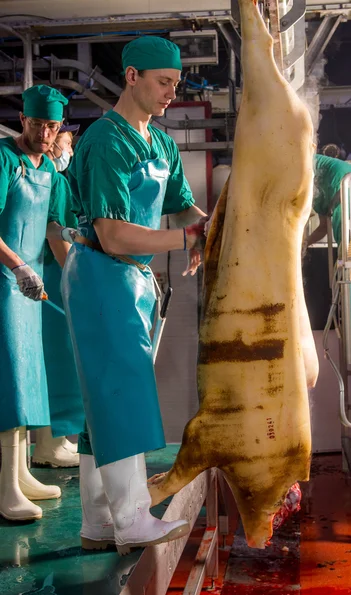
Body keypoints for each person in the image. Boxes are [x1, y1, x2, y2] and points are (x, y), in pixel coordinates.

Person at [62, 36, 208, 554]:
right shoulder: (106, 142)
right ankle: (131, 519)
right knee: (120, 393)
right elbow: (114, 234)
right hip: (101, 274)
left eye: (175, 83)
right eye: (163, 82)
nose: (172, 92)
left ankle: (98, 521)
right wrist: (187, 239)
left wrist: (216, 228)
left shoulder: (162, 143)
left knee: (100, 402)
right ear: (130, 76)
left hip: (132, 283)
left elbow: (185, 207)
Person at [0, 85, 74, 521]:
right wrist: (17, 267)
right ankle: (5, 485)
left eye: (53, 126)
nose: (45, 133)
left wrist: (77, 282)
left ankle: (22, 472)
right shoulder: (4, 159)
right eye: (38, 124)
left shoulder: (51, 173)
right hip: (5, 281)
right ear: (23, 120)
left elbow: (54, 234)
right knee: (9, 377)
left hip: (31, 286)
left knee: (29, 375)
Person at [32, 125, 84, 468]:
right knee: (59, 365)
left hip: (44, 276)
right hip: (53, 278)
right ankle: (48, 446)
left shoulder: (47, 180)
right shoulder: (55, 181)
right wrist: (77, 284)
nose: (67, 151)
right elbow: (56, 238)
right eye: (65, 144)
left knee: (55, 366)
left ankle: (53, 442)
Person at [305, 154, 351, 248]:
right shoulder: (319, 196)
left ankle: (346, 254)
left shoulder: (297, 161)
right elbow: (323, 227)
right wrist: (305, 244)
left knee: (342, 219)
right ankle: (346, 253)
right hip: (344, 177)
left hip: (341, 176)